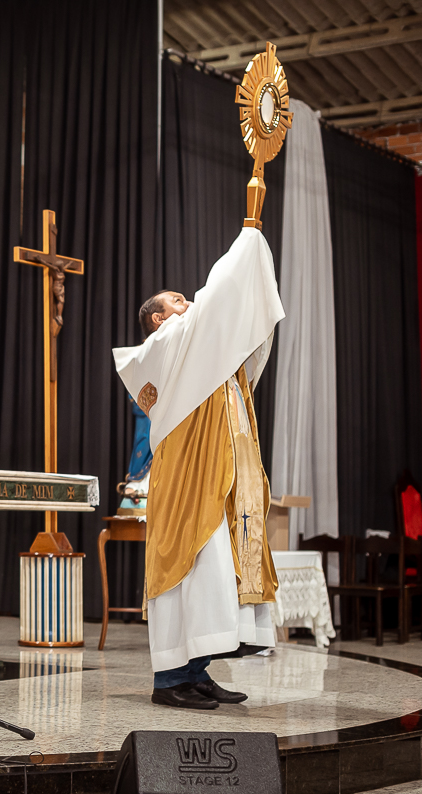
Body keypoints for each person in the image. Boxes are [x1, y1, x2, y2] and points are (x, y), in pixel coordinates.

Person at [113, 227, 284, 710]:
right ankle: (170, 680)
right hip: (188, 481)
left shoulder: (200, 352)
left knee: (212, 575)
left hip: (216, 479)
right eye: (176, 300)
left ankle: (196, 672)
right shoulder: (166, 345)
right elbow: (217, 299)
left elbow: (242, 337)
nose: (187, 302)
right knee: (188, 572)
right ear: (157, 318)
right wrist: (248, 238)